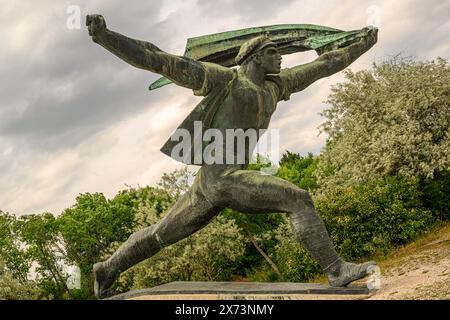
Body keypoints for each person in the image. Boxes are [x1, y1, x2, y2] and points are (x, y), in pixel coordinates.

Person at [86, 14, 379, 299]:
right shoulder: (223, 80)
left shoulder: (277, 86)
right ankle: (336, 269)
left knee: (160, 234)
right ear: (254, 57)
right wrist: (106, 37)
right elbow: (159, 59)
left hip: (211, 183)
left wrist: (361, 44)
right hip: (223, 179)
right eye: (273, 52)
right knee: (297, 199)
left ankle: (108, 268)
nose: (281, 58)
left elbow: (324, 64)